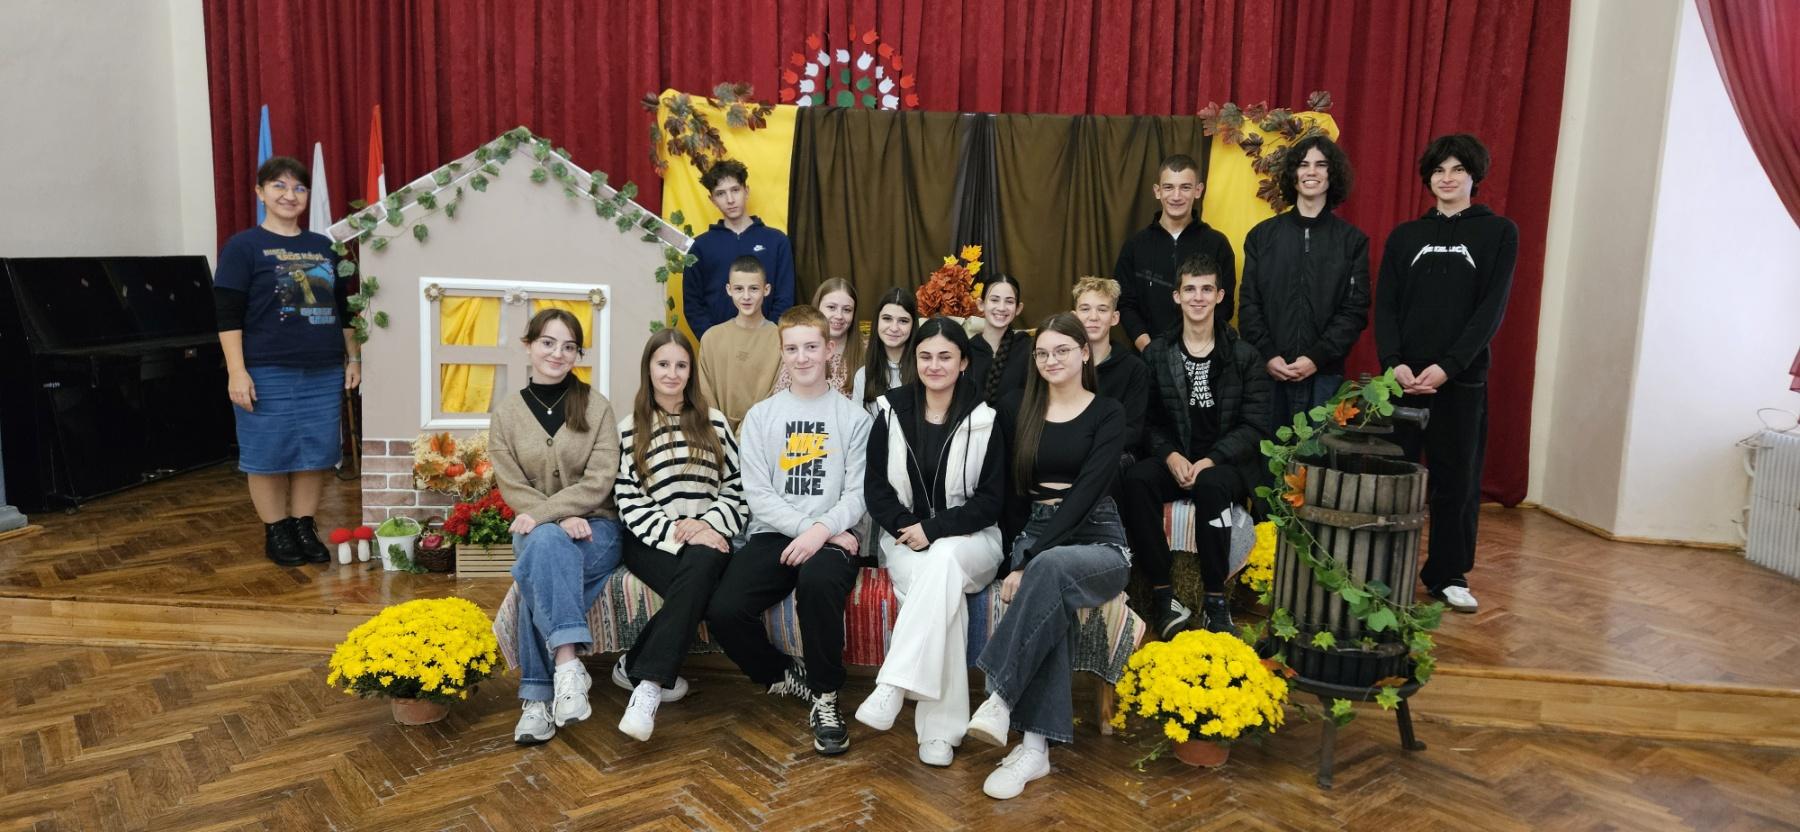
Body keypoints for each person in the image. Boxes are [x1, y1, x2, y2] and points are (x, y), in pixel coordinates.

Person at [969, 313, 1128, 801]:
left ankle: (1000, 696)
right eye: (1042, 353)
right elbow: (1010, 493)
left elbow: (1084, 497)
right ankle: (1035, 749)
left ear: (1085, 352)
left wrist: (1030, 559)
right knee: (1047, 590)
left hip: (1099, 537)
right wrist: (1016, 556)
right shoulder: (1019, 408)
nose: (1051, 360)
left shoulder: (1108, 413)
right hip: (1035, 533)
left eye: (1062, 350)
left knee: (1048, 570)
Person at [705, 305, 872, 756]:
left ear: (830, 350)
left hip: (834, 534)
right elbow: (757, 495)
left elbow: (858, 494)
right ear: (781, 352)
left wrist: (822, 531)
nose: (802, 357)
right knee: (724, 609)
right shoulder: (762, 417)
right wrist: (808, 529)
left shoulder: (853, 419)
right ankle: (780, 674)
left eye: (811, 347)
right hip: (775, 533)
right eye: (793, 348)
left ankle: (826, 696)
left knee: (818, 583)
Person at [1374, 133, 1518, 615]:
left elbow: (1490, 311)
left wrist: (1448, 366)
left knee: (1456, 481)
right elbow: (1386, 306)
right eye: (1439, 170)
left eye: (1457, 170)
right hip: (1402, 379)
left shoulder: (1499, 233)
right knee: (1394, 479)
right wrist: (1394, 362)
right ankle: (1384, 570)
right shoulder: (1405, 237)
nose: (1447, 178)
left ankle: (1448, 575)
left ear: (1474, 176)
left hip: (1460, 380)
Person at [854, 317, 1006, 767]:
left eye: (945, 356)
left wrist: (934, 531)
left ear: (963, 362)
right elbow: (876, 489)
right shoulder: (889, 412)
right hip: (905, 541)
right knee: (945, 594)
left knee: (944, 560)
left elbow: (992, 501)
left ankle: (893, 684)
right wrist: (908, 527)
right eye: (925, 356)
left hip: (974, 542)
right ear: (914, 360)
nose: (934, 365)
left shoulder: (986, 418)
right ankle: (940, 733)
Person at [214, 155, 361, 568]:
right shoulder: (243, 247)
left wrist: (353, 358)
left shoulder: (325, 248)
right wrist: (236, 371)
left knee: (316, 453)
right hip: (266, 369)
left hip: (323, 369)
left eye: (298, 187)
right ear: (260, 192)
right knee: (267, 454)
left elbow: (344, 309)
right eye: (278, 185)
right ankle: (276, 530)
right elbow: (227, 315)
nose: (289, 194)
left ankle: (303, 526)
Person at [490, 308, 625, 745]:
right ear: (528, 345)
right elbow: (512, 484)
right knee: (546, 547)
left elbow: (600, 480)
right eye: (547, 343)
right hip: (537, 529)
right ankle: (567, 667)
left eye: (569, 347)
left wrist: (557, 514)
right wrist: (556, 518)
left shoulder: (596, 407)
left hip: (597, 531)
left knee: (538, 567)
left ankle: (537, 698)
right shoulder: (506, 414)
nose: (557, 353)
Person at [1120, 256, 1270, 639]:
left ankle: (1215, 602)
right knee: (1136, 479)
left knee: (1212, 485)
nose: (1198, 297)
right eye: (1190, 289)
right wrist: (1170, 456)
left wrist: (1211, 460)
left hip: (1223, 465)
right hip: (1173, 459)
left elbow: (1254, 426)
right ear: (1177, 296)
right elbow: (1146, 422)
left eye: (1206, 289)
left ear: (1220, 296)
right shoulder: (1156, 353)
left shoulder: (1244, 356)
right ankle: (1163, 595)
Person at [613, 329, 745, 742]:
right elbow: (628, 500)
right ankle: (644, 676)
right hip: (650, 541)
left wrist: (707, 525)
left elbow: (738, 489)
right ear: (648, 369)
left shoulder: (716, 423)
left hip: (710, 536)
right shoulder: (628, 430)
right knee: (703, 577)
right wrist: (676, 532)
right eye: (663, 364)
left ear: (691, 372)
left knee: (702, 564)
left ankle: (645, 681)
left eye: (681, 365)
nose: (672, 373)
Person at [1240, 135, 1371, 429]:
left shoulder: (1352, 241)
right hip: (1268, 373)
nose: (1311, 171)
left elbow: (1355, 310)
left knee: (1317, 455)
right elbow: (1248, 304)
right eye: (1303, 164)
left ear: (1332, 174)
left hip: (1324, 376)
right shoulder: (1261, 237)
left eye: (1321, 165)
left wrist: (1316, 357)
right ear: (1293, 174)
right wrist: (1269, 355)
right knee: (1265, 455)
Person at [1115, 154, 1237, 351]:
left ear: (1198, 190)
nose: (1176, 196)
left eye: (1185, 187)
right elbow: (1125, 303)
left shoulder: (1217, 243)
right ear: (1157, 191)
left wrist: (1196, 348)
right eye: (1169, 187)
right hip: (1148, 357)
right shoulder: (1135, 246)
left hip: (1202, 354)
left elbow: (1225, 304)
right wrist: (1150, 350)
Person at [682, 159, 797, 339]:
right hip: (719, 345)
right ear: (712, 200)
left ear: (746, 191)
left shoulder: (777, 241)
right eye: (721, 193)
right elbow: (693, 304)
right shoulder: (699, 247)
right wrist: (714, 340)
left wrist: (768, 337)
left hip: (768, 342)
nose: (730, 200)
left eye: (735, 190)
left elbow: (785, 298)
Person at [696, 256, 783, 431]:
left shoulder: (780, 339)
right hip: (718, 435)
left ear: (766, 290)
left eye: (754, 289)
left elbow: (778, 392)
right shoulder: (711, 338)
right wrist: (720, 432)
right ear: (729, 290)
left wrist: (747, 432)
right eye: (739, 289)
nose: (746, 296)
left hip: (762, 432)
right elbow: (704, 393)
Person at [1072, 276, 1151, 461]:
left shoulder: (1135, 368)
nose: (1093, 317)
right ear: (1074, 317)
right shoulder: (1061, 364)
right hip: (1067, 451)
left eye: (1102, 309)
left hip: (1112, 457)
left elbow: (1133, 431)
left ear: (1114, 318)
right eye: (1085, 309)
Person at [774, 278, 861, 398]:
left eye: (847, 310)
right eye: (831, 307)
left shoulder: (865, 353)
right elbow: (781, 400)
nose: (839, 316)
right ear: (817, 309)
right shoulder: (799, 352)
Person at [965, 275, 1031, 407]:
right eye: (994, 300)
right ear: (981, 304)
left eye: (1009, 301)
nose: (1001, 307)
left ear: (1018, 308)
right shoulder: (967, 350)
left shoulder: (1027, 347)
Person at [852, 287, 917, 408]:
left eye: (903, 321)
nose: (894, 328)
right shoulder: (863, 375)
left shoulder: (924, 371)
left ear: (913, 326)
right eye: (887, 318)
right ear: (877, 321)